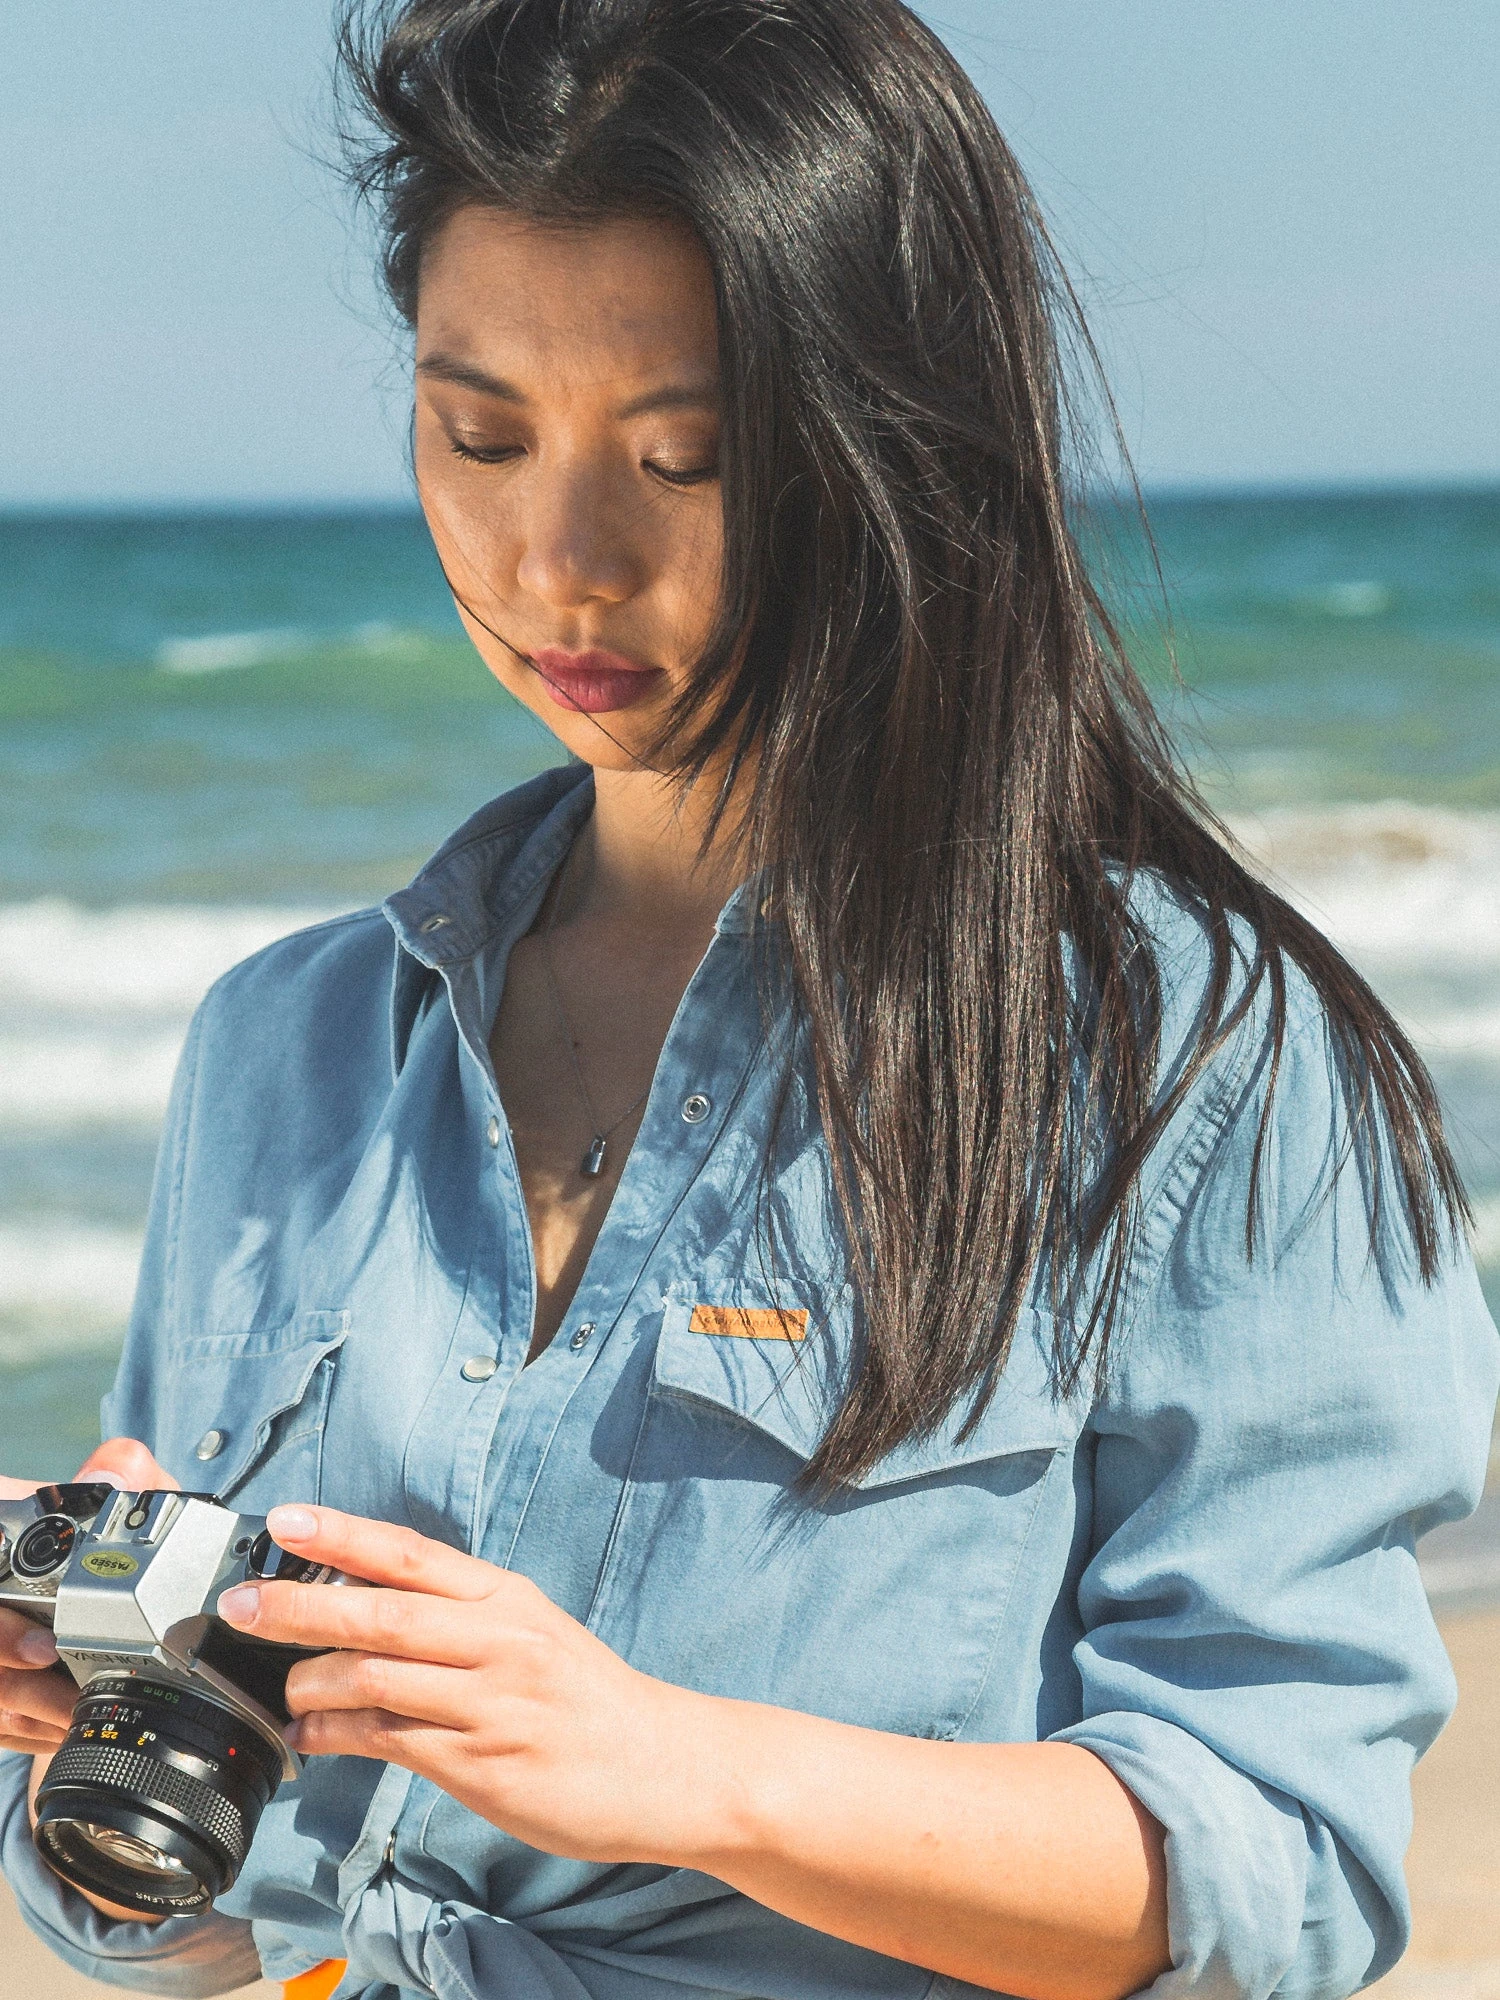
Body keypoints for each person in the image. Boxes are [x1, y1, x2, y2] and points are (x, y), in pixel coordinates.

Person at [1, 3, 1495, 1997]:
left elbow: (1276, 1873)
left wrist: (669, 1768)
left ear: (896, 443)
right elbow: (183, 1928)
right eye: (480, 431)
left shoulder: (1192, 1059)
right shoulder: (283, 1046)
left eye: (683, 456)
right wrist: (107, 1728)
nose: (562, 560)